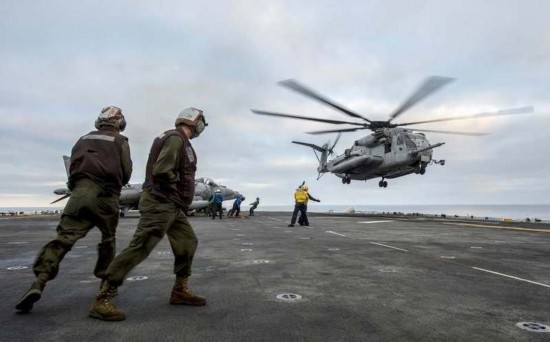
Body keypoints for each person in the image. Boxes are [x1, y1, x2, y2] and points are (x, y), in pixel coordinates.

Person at [88, 107, 207, 322]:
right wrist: (176, 185)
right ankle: (103, 297)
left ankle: (180, 290)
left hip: (173, 204)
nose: (202, 127)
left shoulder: (178, 139)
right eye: (202, 122)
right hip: (161, 201)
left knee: (187, 242)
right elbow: (162, 171)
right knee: (140, 247)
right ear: (195, 122)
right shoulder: (175, 139)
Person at [15, 106, 132, 313]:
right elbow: (126, 172)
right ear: (119, 123)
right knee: (108, 240)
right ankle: (105, 291)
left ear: (99, 121)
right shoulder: (120, 141)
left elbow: (74, 169)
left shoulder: (82, 139)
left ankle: (39, 282)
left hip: (79, 195)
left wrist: (78, 187)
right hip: (106, 197)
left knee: (64, 239)